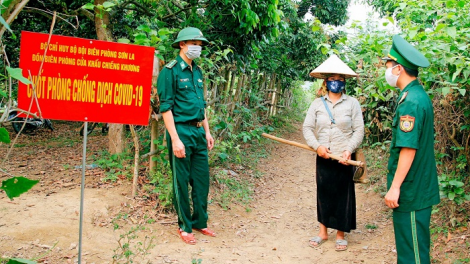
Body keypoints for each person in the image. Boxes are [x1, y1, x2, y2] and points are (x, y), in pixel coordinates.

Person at [382, 35, 440, 263]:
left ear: (398, 69)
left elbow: (408, 149)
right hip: (414, 187)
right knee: (409, 250)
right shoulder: (414, 95)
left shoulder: (411, 102)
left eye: (388, 66)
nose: (386, 71)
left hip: (412, 191)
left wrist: (395, 187)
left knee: (413, 255)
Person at [157, 27, 215, 245]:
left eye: (200, 45)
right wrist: (175, 138)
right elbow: (166, 108)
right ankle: (184, 226)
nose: (197, 48)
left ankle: (200, 221)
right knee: (181, 181)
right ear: (182, 44)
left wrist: (208, 132)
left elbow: (202, 105)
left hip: (199, 131)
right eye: (194, 43)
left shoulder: (197, 71)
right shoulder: (170, 72)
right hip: (181, 131)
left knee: (201, 180)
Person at [303, 54, 364, 251]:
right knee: (324, 192)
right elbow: (307, 128)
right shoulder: (317, 104)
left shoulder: (352, 103)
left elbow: (359, 130)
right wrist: (317, 146)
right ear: (326, 82)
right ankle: (322, 232)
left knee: (342, 194)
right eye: (332, 80)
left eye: (340, 80)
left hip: (344, 157)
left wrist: (348, 150)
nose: (336, 83)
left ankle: (340, 233)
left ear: (344, 83)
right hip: (324, 156)